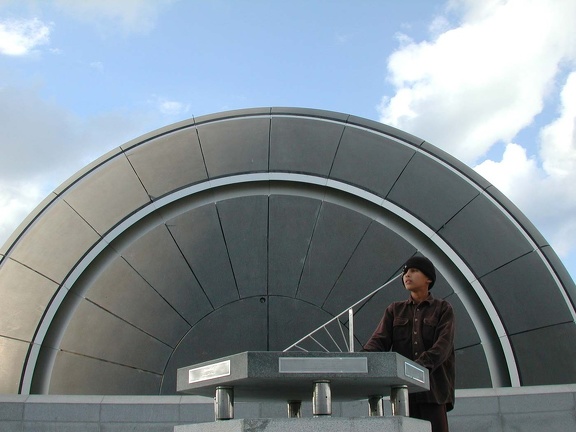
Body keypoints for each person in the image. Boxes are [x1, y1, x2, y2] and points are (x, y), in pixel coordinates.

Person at [362, 255, 455, 432]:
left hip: (433, 392)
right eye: (405, 272)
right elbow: (379, 341)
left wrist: (415, 368)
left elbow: (443, 346)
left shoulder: (443, 309)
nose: (407, 275)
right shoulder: (395, 310)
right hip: (404, 394)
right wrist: (361, 358)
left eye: (413, 271)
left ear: (428, 278)